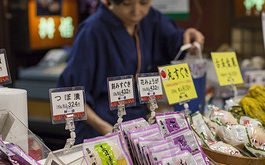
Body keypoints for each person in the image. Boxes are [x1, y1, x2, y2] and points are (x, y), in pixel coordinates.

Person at [57, 0, 204, 144]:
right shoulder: (91, 31)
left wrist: (188, 37)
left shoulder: (150, 19)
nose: (136, 11)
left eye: (144, 3)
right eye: (127, 4)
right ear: (110, 2)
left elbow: (174, 40)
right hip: (99, 129)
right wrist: (107, 130)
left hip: (137, 125)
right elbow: (71, 94)